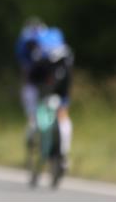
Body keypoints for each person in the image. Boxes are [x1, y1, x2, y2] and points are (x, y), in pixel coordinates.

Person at [15, 17, 74, 169]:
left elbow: (26, 71)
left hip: (39, 75)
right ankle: (63, 155)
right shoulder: (54, 35)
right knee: (62, 113)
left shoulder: (26, 40)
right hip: (63, 72)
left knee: (34, 112)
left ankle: (33, 129)